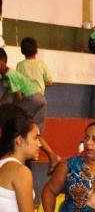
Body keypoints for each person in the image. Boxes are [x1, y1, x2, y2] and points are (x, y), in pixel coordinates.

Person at [4, 44, 61, 172]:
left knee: (15, 121)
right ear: (36, 50)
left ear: (22, 51)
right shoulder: (41, 64)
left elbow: (17, 89)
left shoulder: (19, 66)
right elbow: (50, 82)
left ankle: (13, 152)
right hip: (41, 98)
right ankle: (52, 155)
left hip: (29, 97)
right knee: (35, 132)